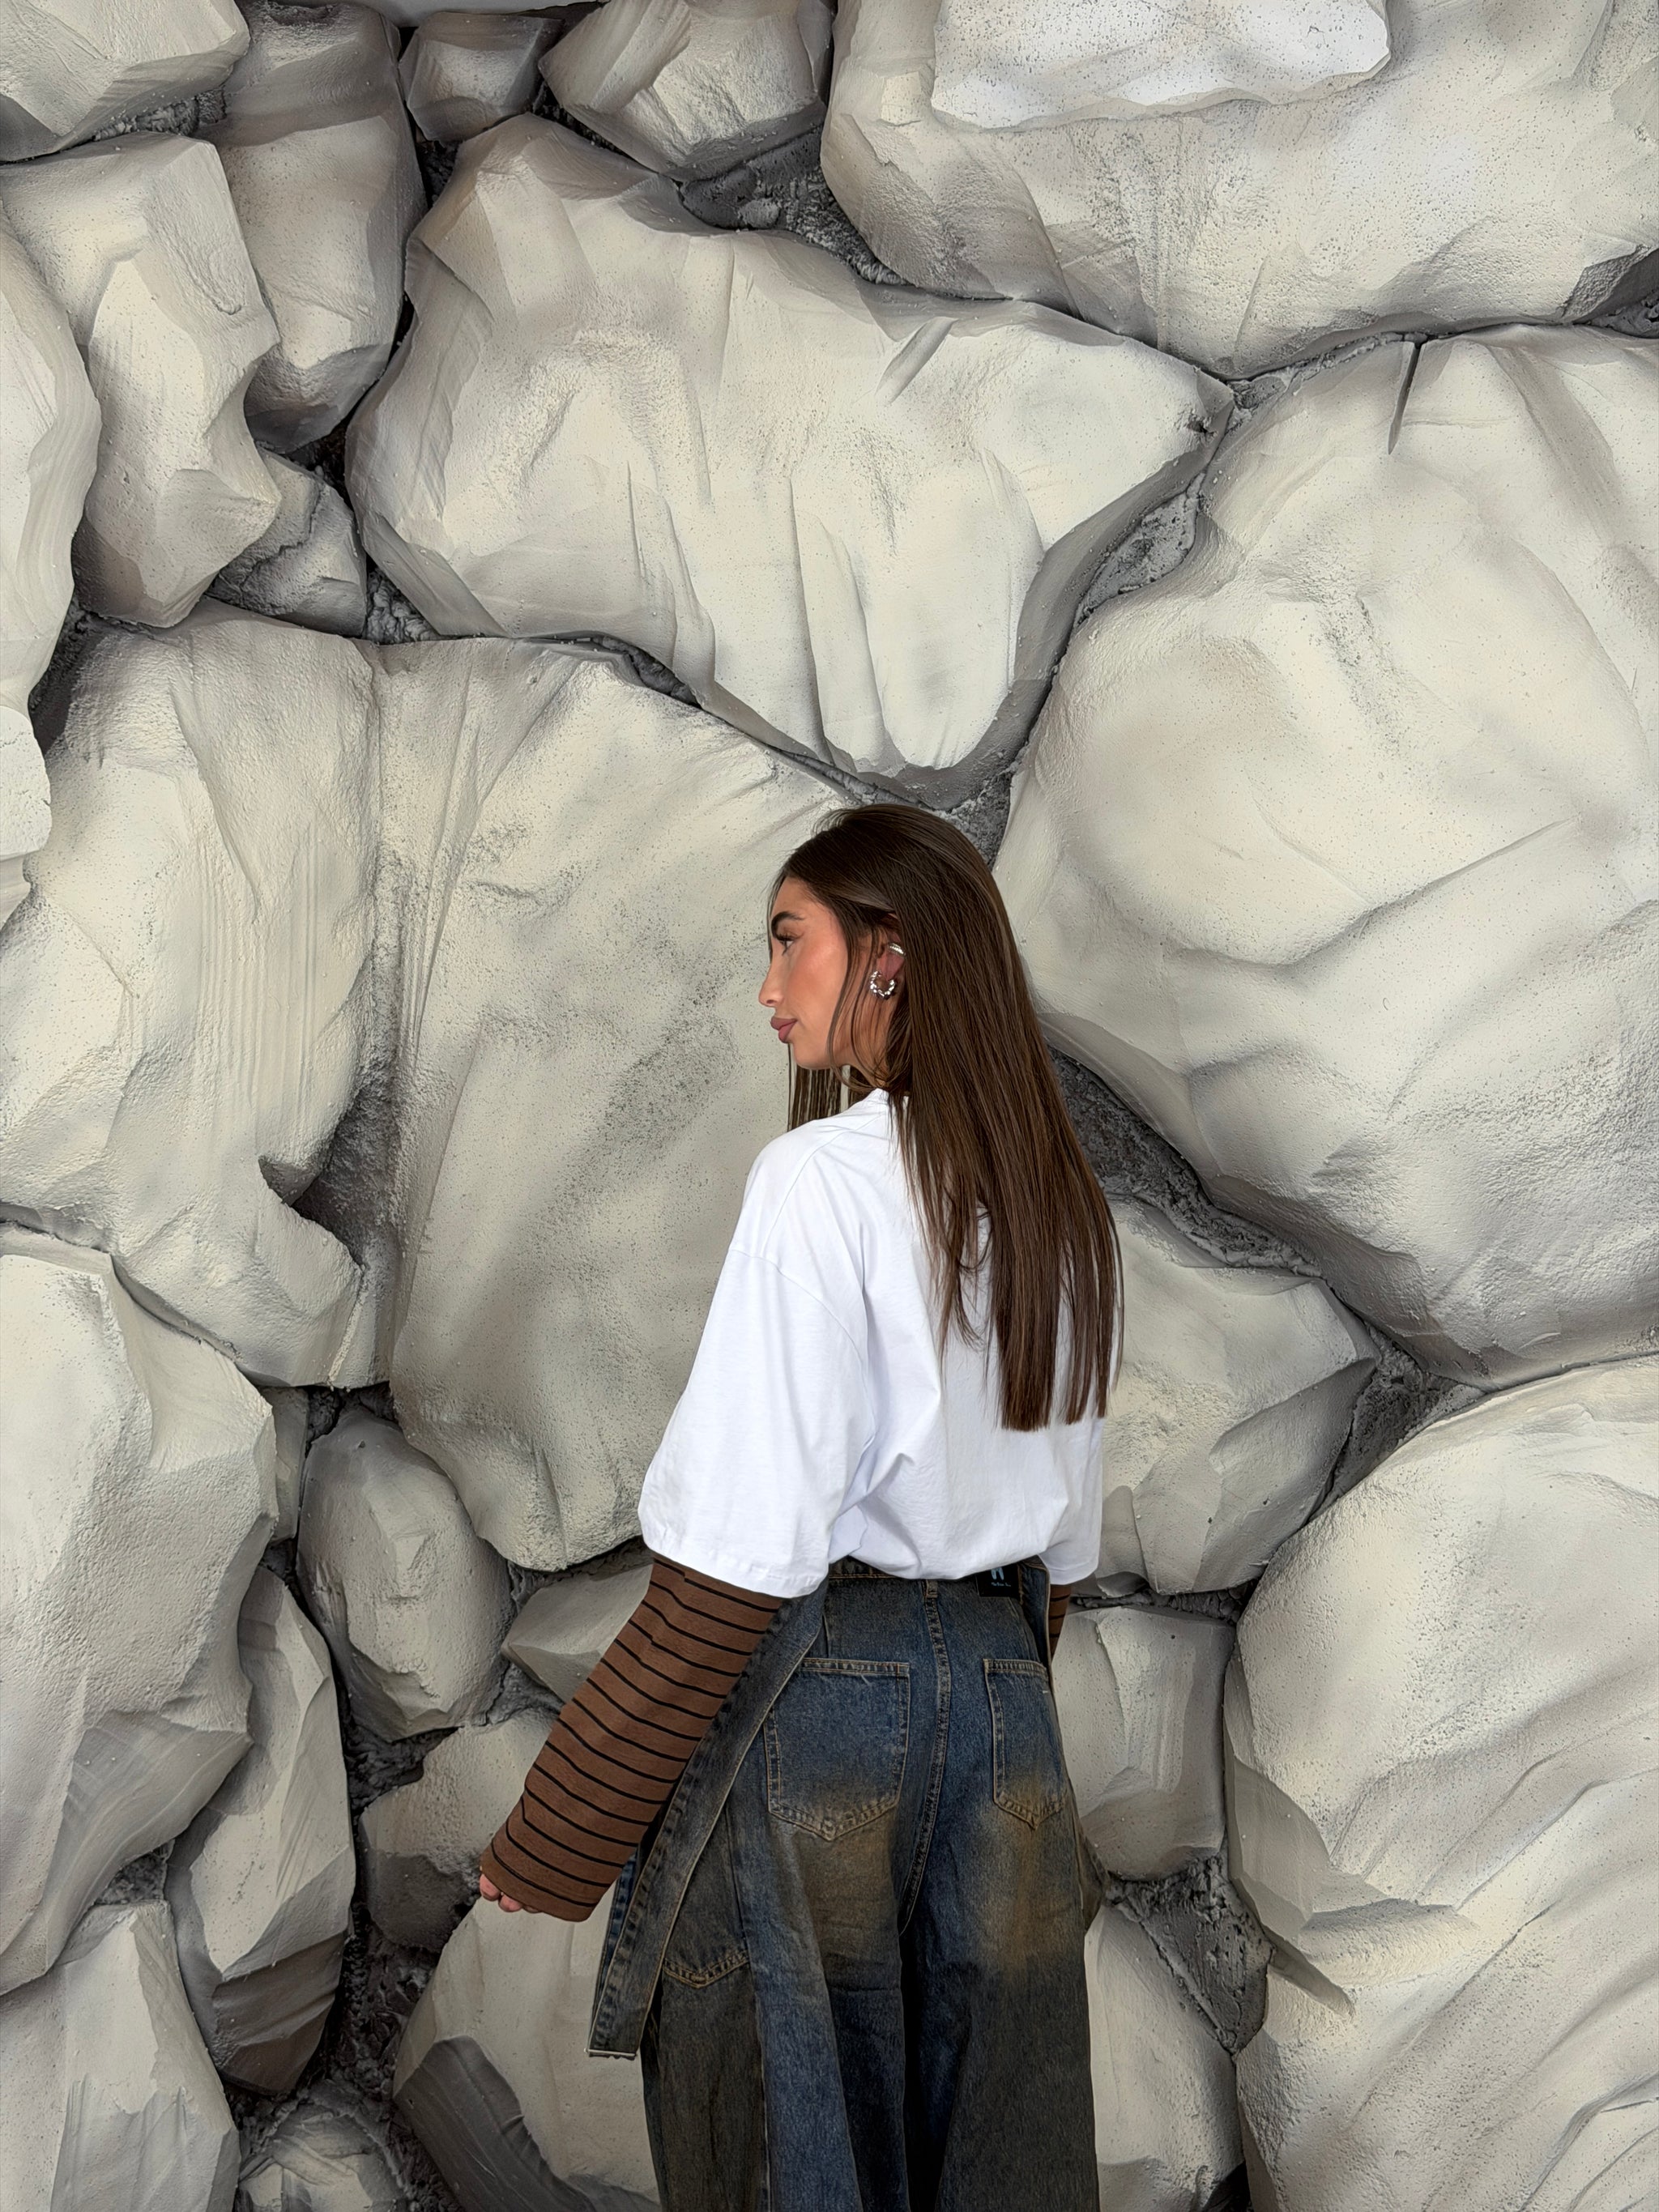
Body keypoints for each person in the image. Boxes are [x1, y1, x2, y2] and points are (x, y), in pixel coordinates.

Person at [478, 802, 1118, 2211]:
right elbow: (1060, 1564)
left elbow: (735, 1569)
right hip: (1009, 1709)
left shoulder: (818, 1183)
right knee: (1003, 2157)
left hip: (830, 1707)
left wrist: (558, 1830)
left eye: (790, 942)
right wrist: (970, 1692)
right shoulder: (1063, 1208)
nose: (767, 988)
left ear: (888, 953)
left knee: (797, 2155)